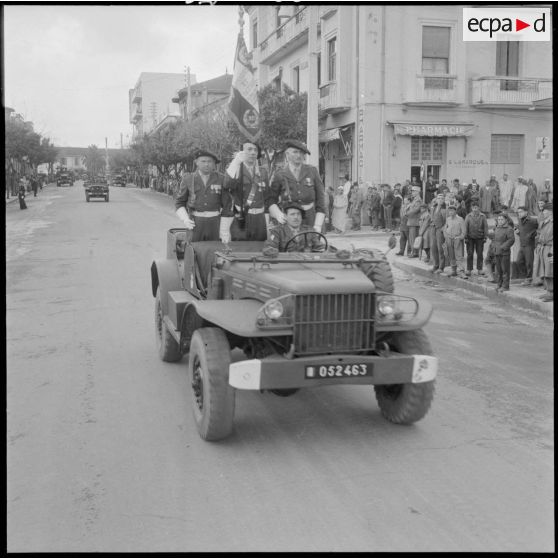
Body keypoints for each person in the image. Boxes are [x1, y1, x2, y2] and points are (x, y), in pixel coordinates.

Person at [268, 139, 326, 233]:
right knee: (289, 246)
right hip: (289, 221)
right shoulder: (280, 174)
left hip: (310, 219)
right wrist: (278, 214)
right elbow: (271, 199)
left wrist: (318, 224)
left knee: (312, 246)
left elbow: (321, 200)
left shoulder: (312, 171)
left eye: (301, 152)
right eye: (295, 152)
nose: (299, 155)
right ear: (287, 154)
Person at [174, 148, 228, 242]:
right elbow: (179, 203)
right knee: (193, 250)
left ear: (214, 164)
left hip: (215, 223)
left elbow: (227, 205)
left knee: (214, 250)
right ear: (196, 162)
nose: (206, 164)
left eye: (210, 161)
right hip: (195, 223)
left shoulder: (221, 179)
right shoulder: (188, 179)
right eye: (203, 161)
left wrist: (224, 228)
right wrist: (185, 219)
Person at [221, 140, 269, 242]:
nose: (253, 152)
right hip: (242, 217)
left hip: (259, 218)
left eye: (255, 150)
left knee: (260, 247)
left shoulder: (263, 172)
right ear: (242, 152)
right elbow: (227, 184)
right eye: (249, 149)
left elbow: (267, 196)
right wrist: (236, 162)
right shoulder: (236, 169)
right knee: (241, 249)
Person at [531, 203, 553, 301]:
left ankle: (551, 293)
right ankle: (548, 291)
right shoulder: (544, 222)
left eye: (545, 210)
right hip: (542, 248)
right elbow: (539, 234)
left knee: (550, 271)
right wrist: (538, 245)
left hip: (550, 248)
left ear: (550, 211)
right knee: (544, 271)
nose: (543, 212)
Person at [515, 206, 539, 286]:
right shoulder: (520, 220)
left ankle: (528, 279)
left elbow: (539, 229)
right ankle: (526, 277)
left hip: (529, 244)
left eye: (521, 211)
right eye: (518, 212)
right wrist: (518, 232)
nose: (519, 213)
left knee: (529, 262)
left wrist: (533, 235)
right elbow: (521, 231)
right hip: (522, 244)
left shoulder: (532, 220)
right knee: (519, 261)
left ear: (526, 212)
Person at [491, 213, 515, 292]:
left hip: (504, 253)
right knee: (499, 270)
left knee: (505, 270)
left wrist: (503, 247)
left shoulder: (509, 229)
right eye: (499, 219)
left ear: (506, 220)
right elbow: (495, 239)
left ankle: (505, 286)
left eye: (502, 219)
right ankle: (499, 284)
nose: (500, 221)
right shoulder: (497, 228)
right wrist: (494, 248)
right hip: (497, 252)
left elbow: (511, 240)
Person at [464, 200, 488, 277]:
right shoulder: (468, 216)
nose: (475, 209)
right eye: (473, 208)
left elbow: (485, 227)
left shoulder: (483, 216)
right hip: (470, 238)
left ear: (479, 208)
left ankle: (480, 269)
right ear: (471, 208)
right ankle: (469, 269)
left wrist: (485, 236)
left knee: (480, 253)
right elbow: (465, 227)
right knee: (470, 253)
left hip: (480, 238)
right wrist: (465, 237)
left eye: (476, 207)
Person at [442, 205, 466, 277]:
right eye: (449, 211)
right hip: (449, 239)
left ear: (455, 211)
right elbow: (444, 229)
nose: (450, 212)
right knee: (451, 255)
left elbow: (464, 231)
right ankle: (454, 270)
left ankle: (462, 271)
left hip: (457, 239)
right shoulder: (448, 219)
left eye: (452, 211)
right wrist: (446, 236)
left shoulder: (460, 219)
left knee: (458, 256)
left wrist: (459, 238)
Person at [429, 193, 446, 274]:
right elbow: (431, 217)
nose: (440, 200)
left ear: (444, 200)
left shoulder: (445, 209)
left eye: (442, 198)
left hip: (440, 229)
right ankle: (435, 265)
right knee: (433, 247)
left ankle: (441, 267)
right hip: (433, 228)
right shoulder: (433, 207)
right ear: (436, 199)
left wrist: (443, 228)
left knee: (440, 248)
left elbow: (447, 221)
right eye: (438, 198)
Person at [406, 186, 423, 257]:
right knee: (411, 238)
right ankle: (414, 252)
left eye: (413, 191)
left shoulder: (418, 200)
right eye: (412, 191)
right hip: (412, 221)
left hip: (414, 221)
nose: (412, 193)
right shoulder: (414, 199)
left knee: (413, 238)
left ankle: (415, 252)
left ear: (417, 192)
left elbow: (416, 210)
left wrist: (407, 213)